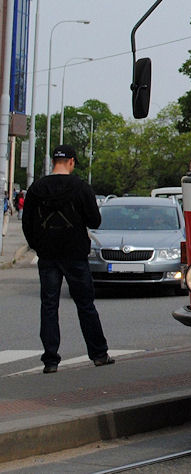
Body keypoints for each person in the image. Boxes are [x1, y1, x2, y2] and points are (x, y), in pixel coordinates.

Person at [21, 145, 114, 373]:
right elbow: (94, 221)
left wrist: (38, 245)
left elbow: (27, 223)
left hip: (48, 255)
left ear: (54, 161)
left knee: (49, 306)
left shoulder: (37, 188)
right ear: (71, 162)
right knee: (85, 305)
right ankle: (99, 354)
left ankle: (51, 360)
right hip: (75, 254)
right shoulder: (81, 187)